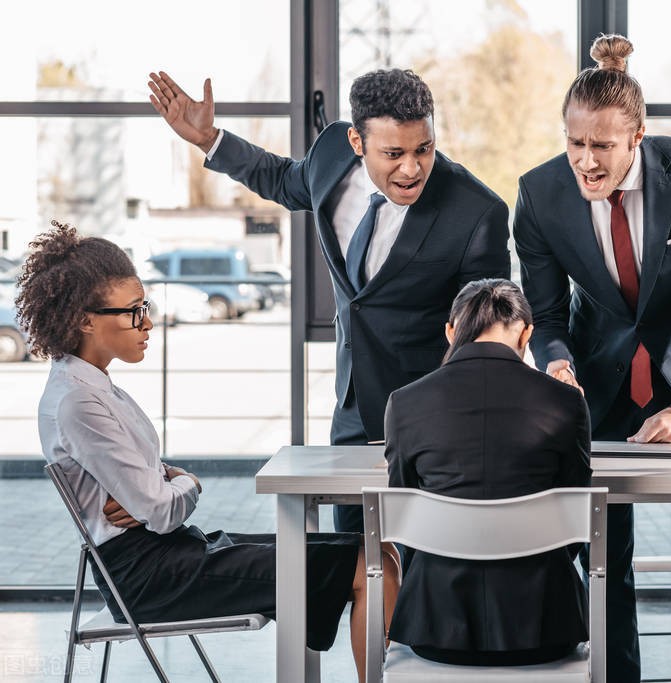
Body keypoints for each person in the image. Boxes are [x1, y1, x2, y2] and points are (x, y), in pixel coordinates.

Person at [18, 222, 401, 683]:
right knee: (368, 565)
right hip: (153, 575)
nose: (148, 323)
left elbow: (151, 499)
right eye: (135, 312)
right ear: (84, 320)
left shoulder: (89, 386)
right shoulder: (78, 400)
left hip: (173, 553)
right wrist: (186, 481)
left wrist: (158, 486)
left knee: (379, 551)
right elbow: (161, 511)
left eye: (147, 308)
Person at [148, 67, 510, 532]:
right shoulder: (332, 153)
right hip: (353, 412)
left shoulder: (476, 212)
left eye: (424, 149)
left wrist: (445, 428)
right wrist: (210, 139)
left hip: (435, 421)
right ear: (358, 144)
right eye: (393, 153)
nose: (412, 167)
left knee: (425, 570)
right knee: (356, 563)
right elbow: (282, 179)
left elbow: (486, 338)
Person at [513, 35, 671, 683]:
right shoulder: (538, 196)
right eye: (572, 142)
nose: (584, 161)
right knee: (602, 554)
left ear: (637, 136)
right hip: (599, 386)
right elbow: (547, 316)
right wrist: (555, 364)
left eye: (601, 146)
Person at [384, 279, 592, 666]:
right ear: (527, 334)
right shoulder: (567, 403)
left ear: (450, 331)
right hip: (546, 625)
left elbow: (405, 510)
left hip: (435, 626)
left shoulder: (404, 403)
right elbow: (575, 515)